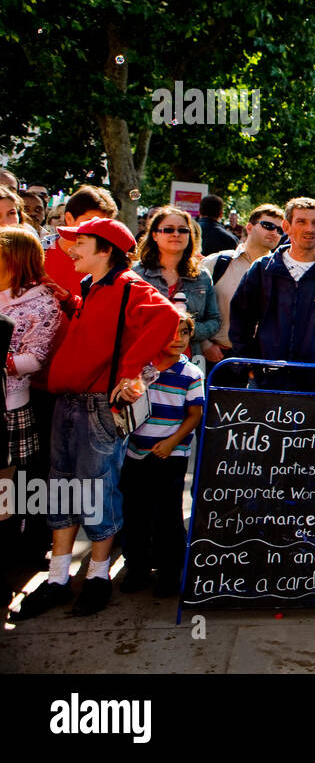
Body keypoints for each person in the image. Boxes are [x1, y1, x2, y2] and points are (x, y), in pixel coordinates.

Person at [9, 218, 180, 620]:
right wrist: (70, 303)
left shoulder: (130, 286)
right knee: (63, 490)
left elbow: (167, 318)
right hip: (68, 403)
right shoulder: (93, 287)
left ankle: (98, 578)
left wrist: (130, 370)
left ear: (105, 249)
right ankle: (57, 580)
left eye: (80, 242)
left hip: (96, 407)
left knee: (97, 493)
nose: (70, 249)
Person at [228, 197, 315, 393]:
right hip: (265, 380)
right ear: (287, 226)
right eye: (301, 222)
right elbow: (240, 318)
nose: (310, 229)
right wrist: (246, 364)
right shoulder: (263, 269)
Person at [118, 314, 205, 597]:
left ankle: (170, 572)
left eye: (184, 333)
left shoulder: (191, 374)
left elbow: (195, 414)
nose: (178, 339)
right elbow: (129, 401)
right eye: (172, 333)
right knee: (135, 513)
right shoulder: (144, 368)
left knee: (168, 514)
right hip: (136, 452)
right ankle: (138, 568)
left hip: (171, 454)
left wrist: (172, 442)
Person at [0, 229, 63, 609]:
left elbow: (34, 359)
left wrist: (3, 361)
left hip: (9, 407)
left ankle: (5, 571)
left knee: (5, 497)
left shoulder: (42, 304)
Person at [199, 204, 285, 363]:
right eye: (268, 226)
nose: (274, 232)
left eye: (280, 230)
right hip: (216, 358)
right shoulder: (217, 262)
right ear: (250, 227)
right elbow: (193, 309)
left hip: (261, 362)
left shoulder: (283, 272)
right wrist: (205, 345)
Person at [132, 207, 221, 353]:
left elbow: (214, 320)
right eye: (168, 230)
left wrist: (187, 329)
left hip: (188, 361)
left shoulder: (202, 275)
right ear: (154, 235)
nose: (176, 234)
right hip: (145, 357)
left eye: (183, 230)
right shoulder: (137, 273)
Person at [41, 186, 117, 296]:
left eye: (104, 224)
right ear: (69, 219)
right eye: (90, 222)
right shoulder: (40, 251)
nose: (97, 230)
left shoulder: (109, 259)